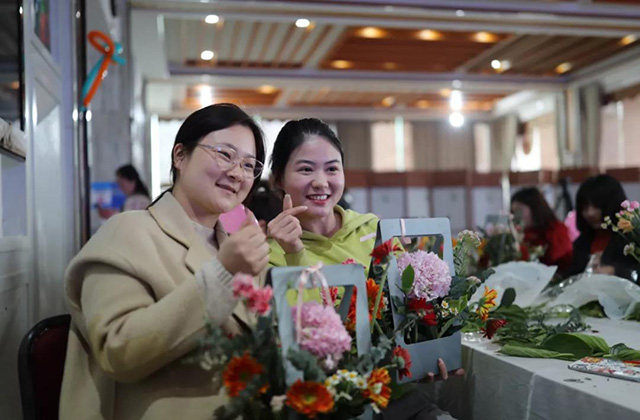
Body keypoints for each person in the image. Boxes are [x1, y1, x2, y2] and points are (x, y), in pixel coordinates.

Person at [59, 103, 269, 420]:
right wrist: (223, 272)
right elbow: (119, 350)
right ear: (180, 156)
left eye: (249, 165)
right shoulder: (127, 231)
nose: (237, 173)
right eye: (225, 154)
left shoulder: (233, 245)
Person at [267, 118, 459, 419]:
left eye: (332, 169)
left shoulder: (372, 229)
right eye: (306, 169)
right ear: (278, 178)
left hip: (396, 397)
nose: (321, 182)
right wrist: (295, 253)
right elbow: (306, 342)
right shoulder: (270, 254)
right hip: (331, 405)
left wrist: (423, 355)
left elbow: (409, 311)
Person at [567, 174, 640, 280]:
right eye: (585, 207)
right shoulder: (581, 243)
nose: (590, 213)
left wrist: (616, 271)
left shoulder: (632, 238)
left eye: (596, 206)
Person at [511, 187, 573, 275]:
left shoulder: (556, 230)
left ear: (534, 208)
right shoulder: (521, 234)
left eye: (519, 211)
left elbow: (559, 263)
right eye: (513, 212)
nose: (516, 216)